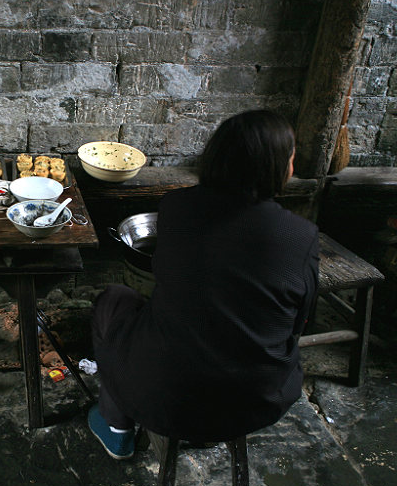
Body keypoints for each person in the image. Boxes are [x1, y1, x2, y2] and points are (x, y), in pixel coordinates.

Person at [88, 109, 320, 459]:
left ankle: (116, 425)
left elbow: (162, 273)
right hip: (256, 400)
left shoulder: (178, 208)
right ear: (274, 167)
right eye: (290, 157)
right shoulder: (301, 235)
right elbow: (303, 317)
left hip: (165, 397)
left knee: (115, 299)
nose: (292, 164)